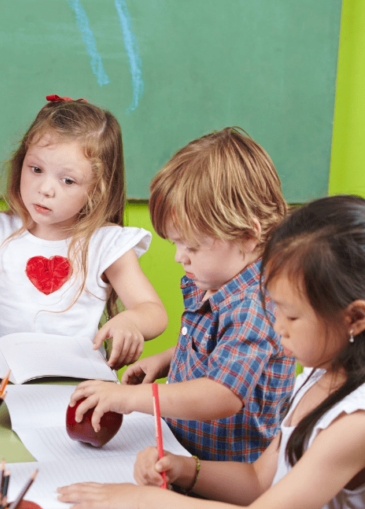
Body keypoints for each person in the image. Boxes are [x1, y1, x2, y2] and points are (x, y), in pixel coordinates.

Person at [58, 195, 365, 509]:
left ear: (355, 318)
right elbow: (258, 482)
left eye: (291, 316)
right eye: (274, 308)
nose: (276, 327)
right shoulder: (318, 376)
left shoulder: (353, 425)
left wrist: (142, 499)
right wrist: (186, 470)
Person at [68, 128, 295, 462]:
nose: (179, 257)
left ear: (247, 235)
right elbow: (217, 349)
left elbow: (221, 394)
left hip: (226, 474)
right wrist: (165, 361)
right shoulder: (217, 280)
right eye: (175, 243)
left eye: (190, 245)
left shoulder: (254, 307)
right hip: (183, 451)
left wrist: (133, 399)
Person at [0, 96, 167, 369]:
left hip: (75, 382)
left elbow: (153, 312)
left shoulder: (106, 244)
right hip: (3, 379)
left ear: (97, 189)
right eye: (36, 169)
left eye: (67, 180)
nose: (45, 188)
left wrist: (132, 322)